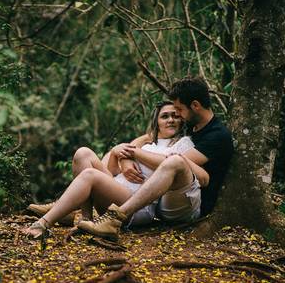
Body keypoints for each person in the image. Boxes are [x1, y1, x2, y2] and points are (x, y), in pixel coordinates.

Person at [77, 76, 233, 238]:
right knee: (90, 155)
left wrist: (133, 153)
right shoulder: (191, 122)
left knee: (174, 161)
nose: (177, 116)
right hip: (164, 197)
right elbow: (150, 136)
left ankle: (116, 218)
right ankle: (72, 210)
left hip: (190, 201)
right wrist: (124, 155)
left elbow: (172, 163)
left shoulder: (217, 135)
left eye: (179, 110)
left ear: (195, 105)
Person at [22, 100, 193, 239]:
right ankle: (85, 220)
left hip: (136, 205)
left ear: (182, 120)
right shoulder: (147, 143)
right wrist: (116, 153)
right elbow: (111, 171)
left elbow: (171, 164)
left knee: (90, 175)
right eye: (165, 116)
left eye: (175, 116)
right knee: (83, 153)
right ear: (157, 121)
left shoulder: (183, 143)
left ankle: (43, 223)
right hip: (116, 191)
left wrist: (133, 152)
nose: (171, 119)